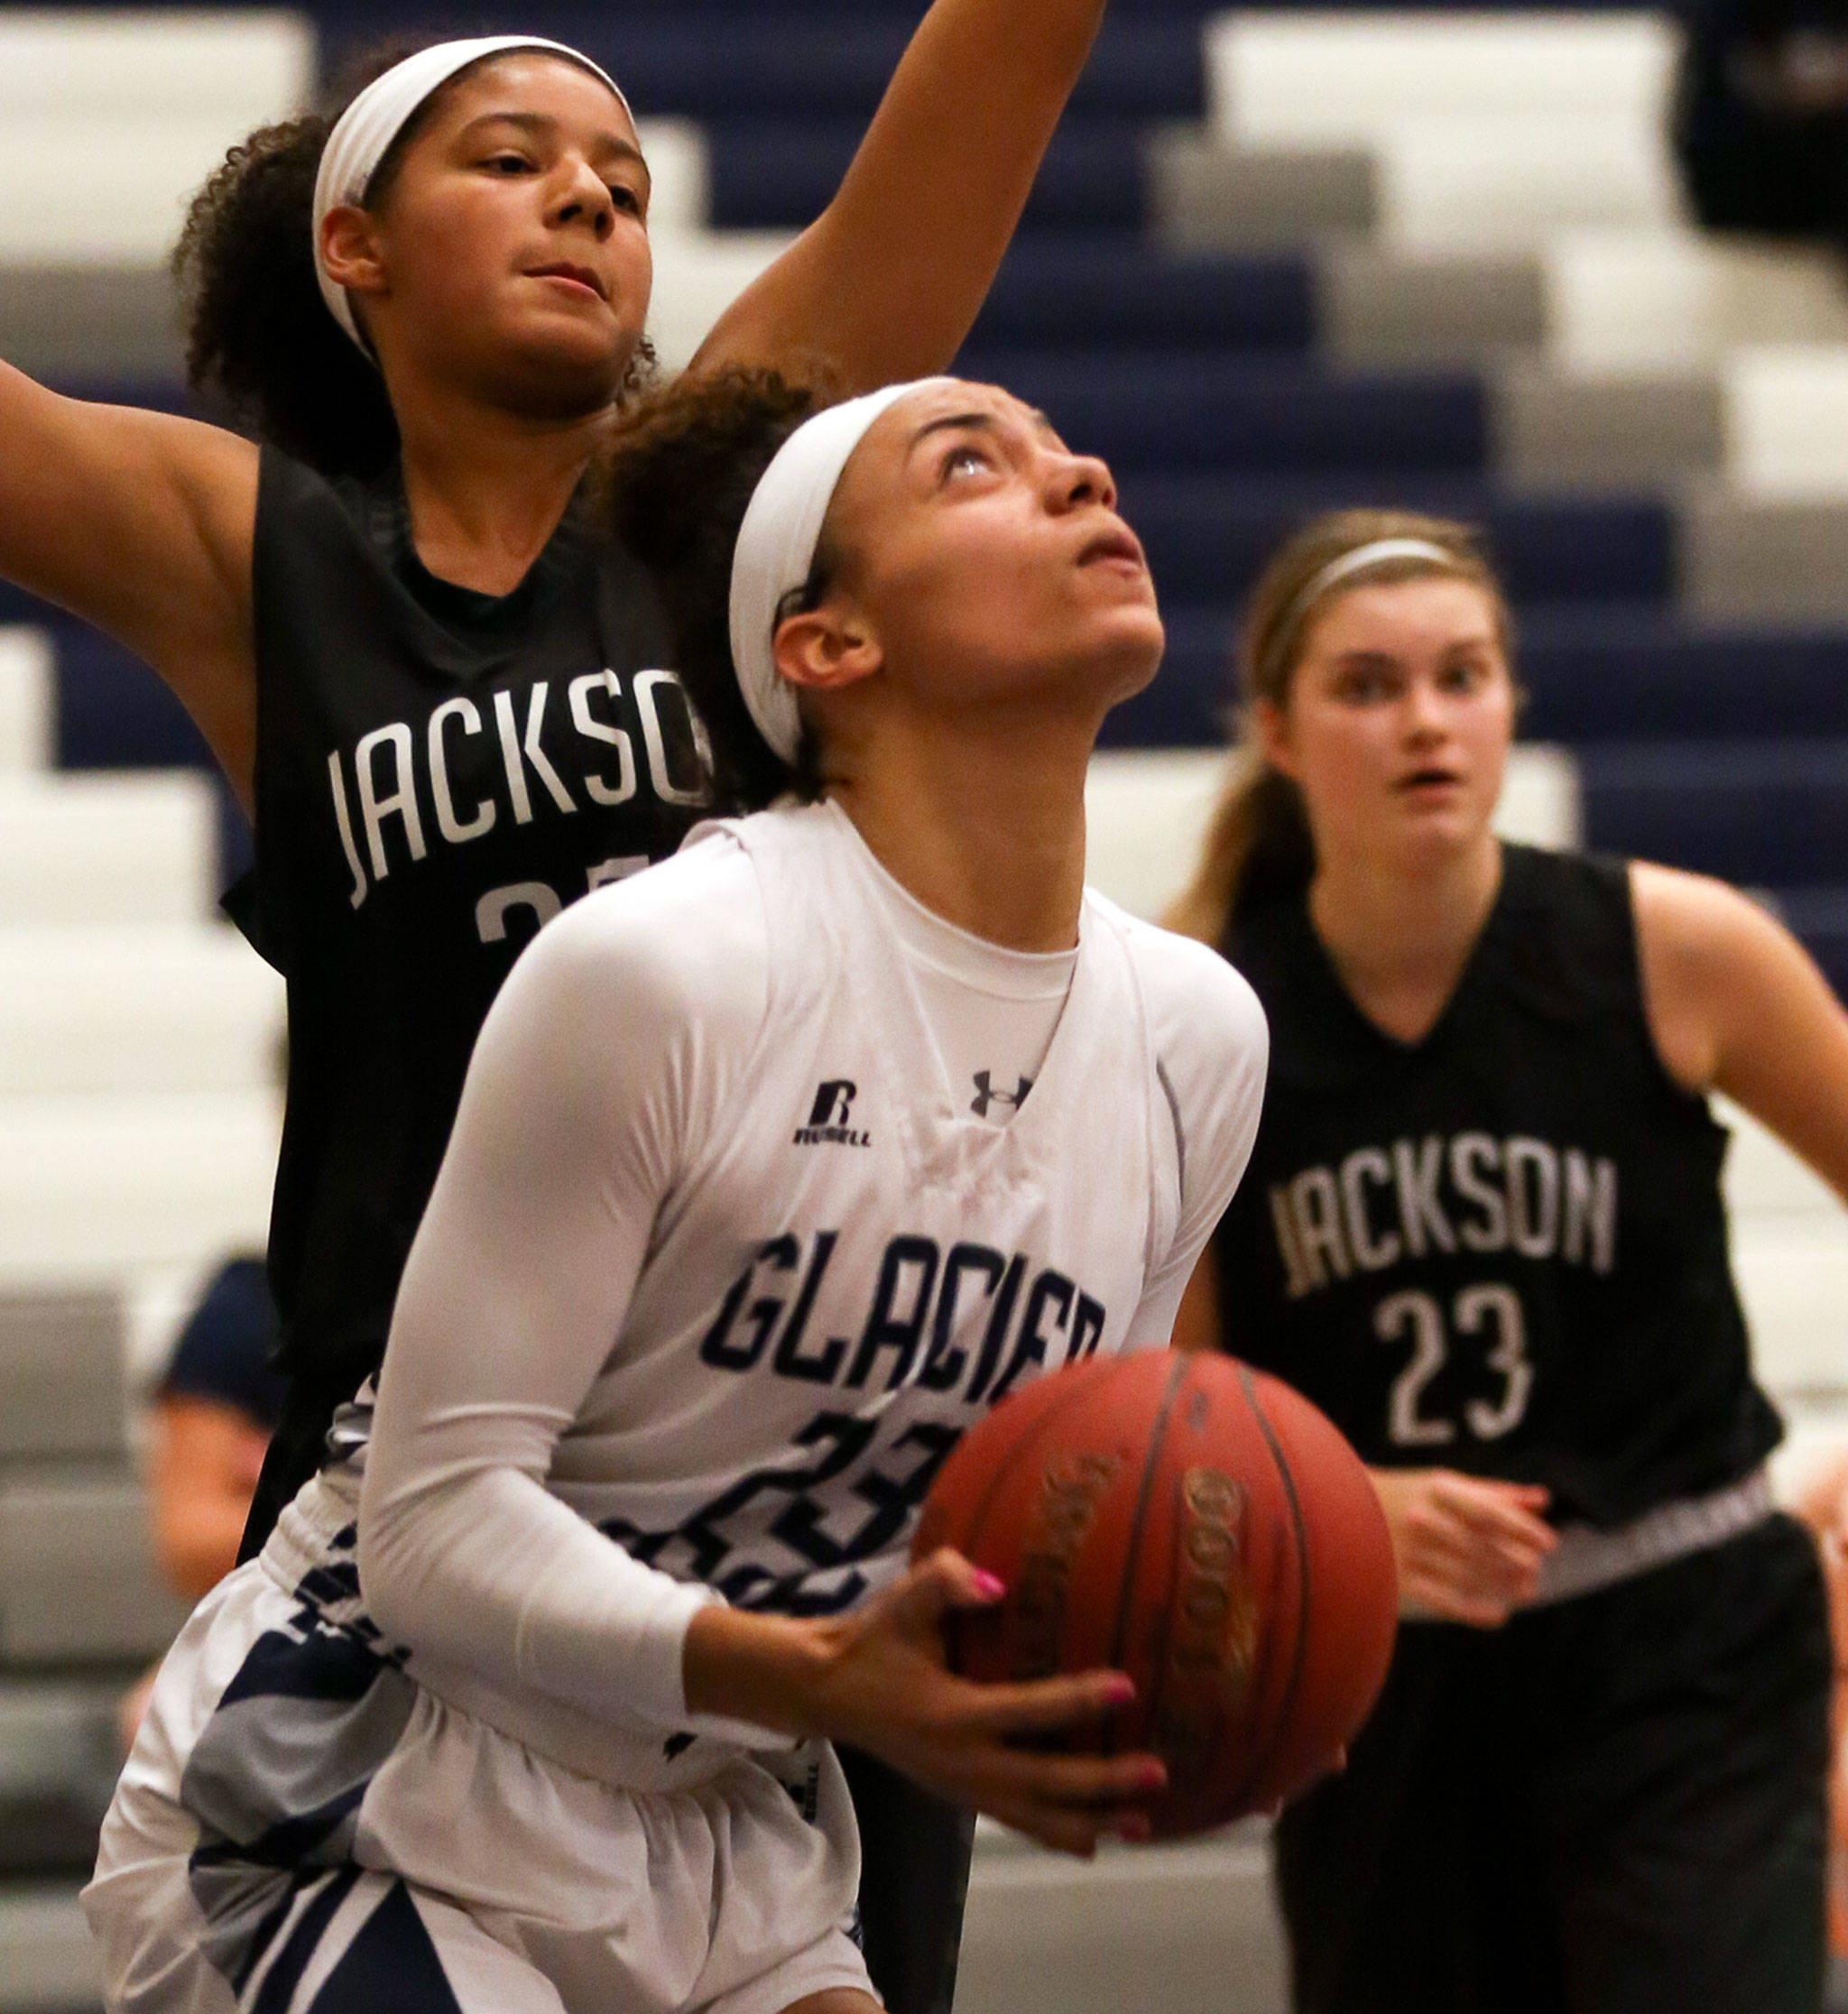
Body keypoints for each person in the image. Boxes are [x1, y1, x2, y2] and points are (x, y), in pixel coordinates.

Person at [0, 21, 1118, 2004]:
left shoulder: (732, 508)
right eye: (511, 159)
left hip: (795, 1494)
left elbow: (1006, 66)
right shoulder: (259, 556)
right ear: (355, 242)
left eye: (617, 168)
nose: (592, 193)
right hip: (441, 1500)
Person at [81, 369, 1270, 2014]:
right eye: (975, 465)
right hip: (375, 1767)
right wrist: (811, 1672)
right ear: (825, 644)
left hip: (735, 1822)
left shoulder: (1195, 1039)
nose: (1082, 477)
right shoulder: (664, 967)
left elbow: (1047, 1516)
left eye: (1071, 450)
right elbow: (430, 1534)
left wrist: (1215, 1663)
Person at [1166, 509, 1848, 2014]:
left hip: (1688, 1645)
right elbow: (1173, 1397)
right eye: (1367, 686)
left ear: (1511, 703)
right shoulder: (1206, 1013)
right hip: (1377, 1675)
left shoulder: (1673, 945)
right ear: (1277, 730)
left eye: (1463, 676)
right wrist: (1326, 1511)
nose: (1425, 721)